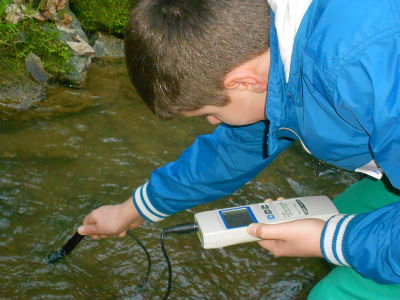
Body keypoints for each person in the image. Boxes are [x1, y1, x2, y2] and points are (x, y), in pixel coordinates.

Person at [77, 0, 400, 298]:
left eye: (209, 113)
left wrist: (331, 240)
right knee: (340, 213)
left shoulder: (367, 72)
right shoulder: (268, 46)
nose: (213, 123)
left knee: (334, 293)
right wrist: (129, 211)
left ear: (244, 82)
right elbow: (232, 152)